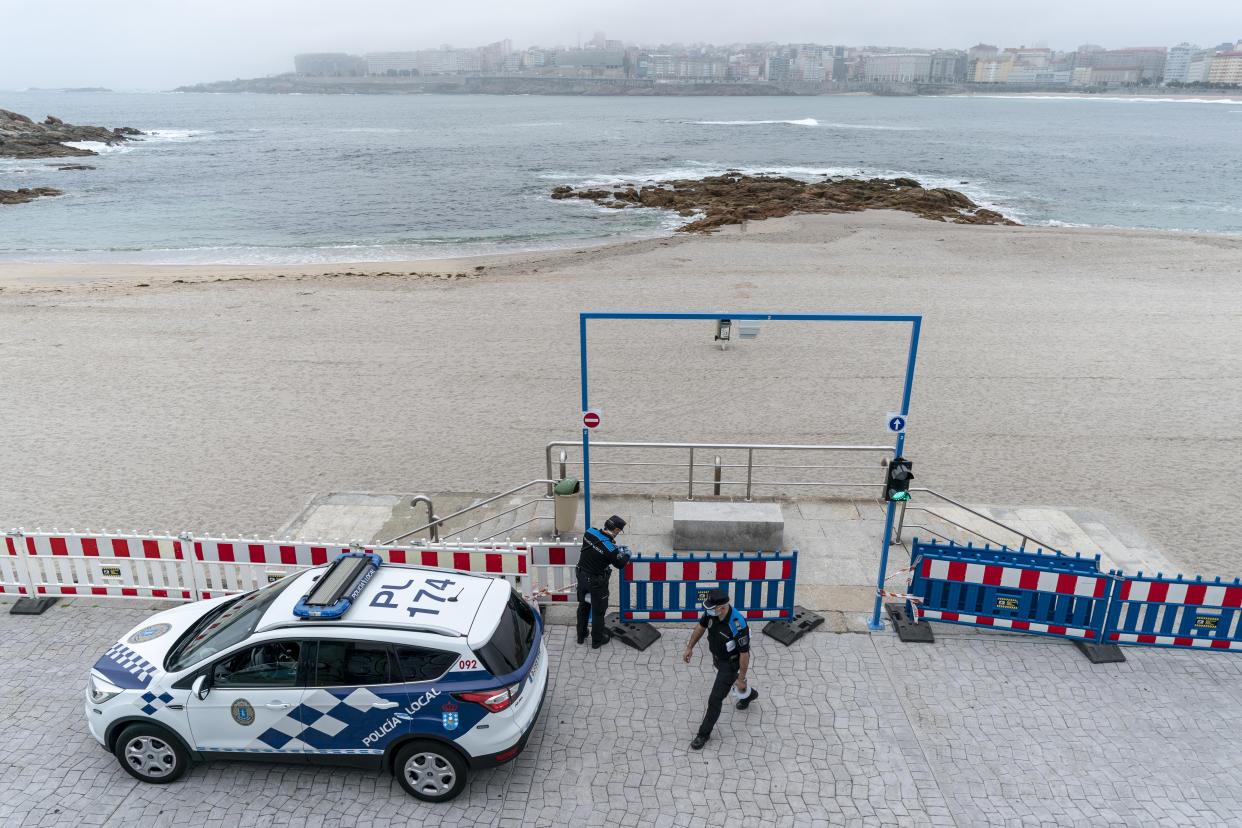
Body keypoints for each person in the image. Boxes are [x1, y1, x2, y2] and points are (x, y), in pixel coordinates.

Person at [682, 587, 758, 750]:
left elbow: (744, 654)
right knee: (732, 683)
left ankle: (703, 734)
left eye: (711, 608)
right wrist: (690, 647)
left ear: (722, 608)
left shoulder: (737, 624)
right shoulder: (712, 613)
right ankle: (749, 694)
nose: (707, 611)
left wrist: (741, 678)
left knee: (715, 699)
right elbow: (701, 627)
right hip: (717, 658)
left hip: (729, 664)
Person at [576, 514, 632, 648]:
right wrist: (627, 554)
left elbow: (599, 549)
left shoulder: (589, 532)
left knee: (583, 606)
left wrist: (614, 548)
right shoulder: (610, 548)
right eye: (618, 531)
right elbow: (619, 563)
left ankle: (581, 635)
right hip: (597, 583)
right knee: (598, 611)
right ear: (616, 530)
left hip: (581, 577)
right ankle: (597, 640)